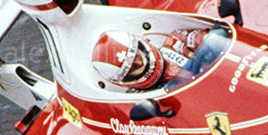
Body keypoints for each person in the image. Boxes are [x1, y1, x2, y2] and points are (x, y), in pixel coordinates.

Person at [91, 25, 229, 91]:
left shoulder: (176, 41)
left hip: (224, 79)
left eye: (138, 56)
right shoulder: (139, 99)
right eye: (133, 67)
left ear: (142, 44)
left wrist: (211, 41)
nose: (140, 62)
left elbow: (215, 38)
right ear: (125, 79)